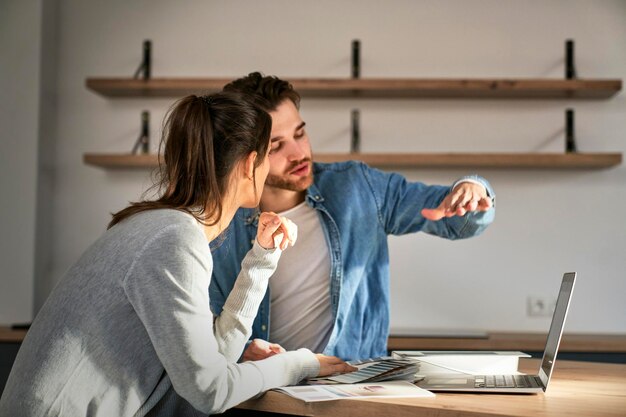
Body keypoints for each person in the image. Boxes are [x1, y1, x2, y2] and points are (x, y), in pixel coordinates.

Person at [0, 92, 354, 417]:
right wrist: (300, 363)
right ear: (250, 165)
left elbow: (212, 364)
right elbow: (210, 391)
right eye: (269, 153)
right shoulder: (174, 238)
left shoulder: (163, 227)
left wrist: (262, 257)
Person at [209, 72, 496, 361]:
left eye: (299, 134)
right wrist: (244, 353)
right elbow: (207, 334)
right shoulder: (220, 225)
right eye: (276, 146)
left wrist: (471, 190)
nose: (299, 153)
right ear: (244, 155)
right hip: (263, 391)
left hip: (352, 385)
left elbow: (458, 221)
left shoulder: (358, 187)